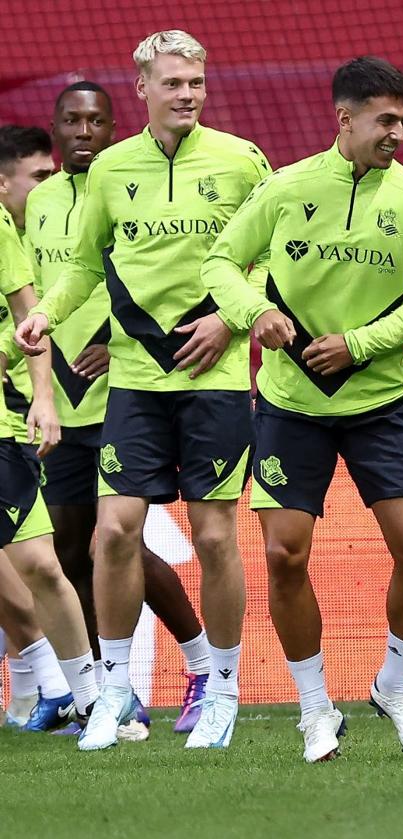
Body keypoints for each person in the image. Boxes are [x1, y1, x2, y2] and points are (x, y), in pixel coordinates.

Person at [16, 29, 272, 751]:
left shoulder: (242, 161)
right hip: (134, 380)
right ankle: (116, 688)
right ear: (143, 89)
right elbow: (86, 270)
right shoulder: (112, 169)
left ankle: (221, 689)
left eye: (196, 81)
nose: (186, 93)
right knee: (114, 532)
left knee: (217, 535)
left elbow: (272, 258)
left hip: (214, 380)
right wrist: (45, 313)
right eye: (172, 83)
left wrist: (230, 319)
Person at [202, 57, 403, 763]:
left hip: (380, 402)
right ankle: (315, 707)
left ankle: (396, 685)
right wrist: (256, 313)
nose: (397, 132)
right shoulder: (285, 188)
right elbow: (220, 262)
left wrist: (359, 344)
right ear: (346, 119)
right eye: (385, 119)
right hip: (289, 403)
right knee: (284, 554)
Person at [24, 81, 212, 734]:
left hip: (124, 393)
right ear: (54, 127)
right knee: (72, 551)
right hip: (57, 408)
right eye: (71, 120)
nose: (84, 131)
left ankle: (201, 664)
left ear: (112, 126)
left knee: (119, 542)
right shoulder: (37, 203)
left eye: (96, 120)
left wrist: (115, 340)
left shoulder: (126, 182)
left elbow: (151, 276)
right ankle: (114, 692)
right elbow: (45, 290)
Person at [2, 184, 101, 733]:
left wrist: (44, 399)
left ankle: (87, 698)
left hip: (4, 423)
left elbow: (27, 315)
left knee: (42, 563)